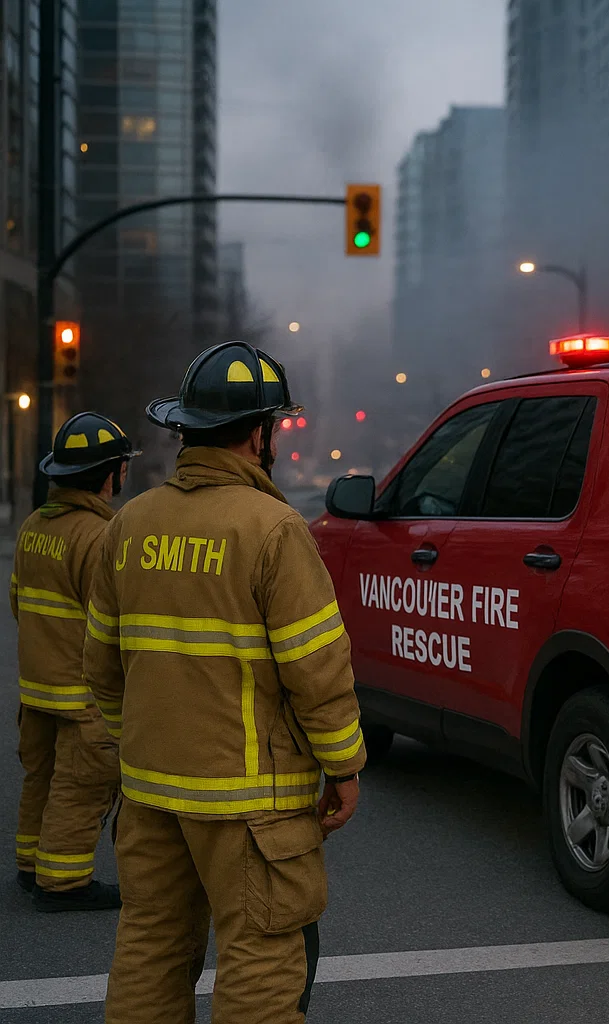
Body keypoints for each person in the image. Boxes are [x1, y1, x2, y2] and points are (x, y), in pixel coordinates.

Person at [84, 342, 367, 1024]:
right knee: (261, 960)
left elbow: (101, 665)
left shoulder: (130, 524)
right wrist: (343, 766)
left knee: (150, 947)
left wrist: (139, 746)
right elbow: (318, 670)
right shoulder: (273, 530)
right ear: (259, 434)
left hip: (151, 791)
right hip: (250, 803)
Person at [11, 412, 138, 911]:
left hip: (36, 687)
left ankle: (30, 865)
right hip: (83, 695)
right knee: (81, 786)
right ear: (109, 475)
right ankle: (62, 882)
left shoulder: (32, 527)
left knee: (40, 778)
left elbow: (18, 603)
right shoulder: (99, 536)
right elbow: (112, 624)